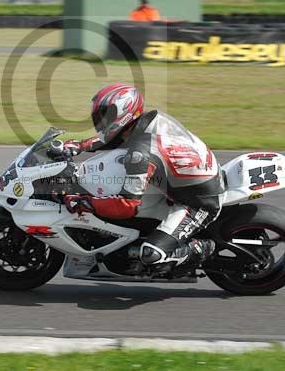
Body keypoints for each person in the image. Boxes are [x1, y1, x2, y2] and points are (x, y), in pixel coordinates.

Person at [58, 83, 223, 270]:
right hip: (188, 180)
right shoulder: (145, 121)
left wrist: (85, 202)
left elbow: (127, 206)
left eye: (106, 115)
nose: (100, 121)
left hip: (199, 201)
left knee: (152, 255)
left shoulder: (139, 154)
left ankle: (204, 248)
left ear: (124, 113)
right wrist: (77, 146)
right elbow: (110, 138)